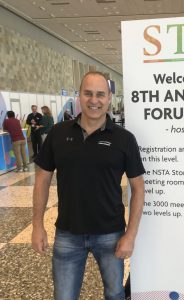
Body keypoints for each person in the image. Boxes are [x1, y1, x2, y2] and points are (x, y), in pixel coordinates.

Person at [31, 71, 145, 300]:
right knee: (64, 296)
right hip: (67, 232)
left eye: (100, 94)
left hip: (110, 233)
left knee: (115, 294)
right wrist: (37, 225)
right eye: (88, 93)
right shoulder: (58, 133)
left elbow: (139, 188)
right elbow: (42, 179)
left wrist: (130, 235)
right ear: (79, 96)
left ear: (109, 97)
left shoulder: (124, 139)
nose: (94, 100)